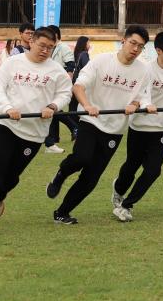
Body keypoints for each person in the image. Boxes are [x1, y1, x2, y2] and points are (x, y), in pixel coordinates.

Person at [0, 28, 72, 233]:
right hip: (7, 126)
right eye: (42, 45)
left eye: (50, 47)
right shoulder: (13, 63)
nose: (45, 50)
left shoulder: (56, 71)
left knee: (11, 175)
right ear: (32, 41)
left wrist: (53, 107)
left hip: (34, 133)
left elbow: (65, 93)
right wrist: (7, 108)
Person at [46, 26, 150, 225]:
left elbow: (141, 96)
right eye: (133, 43)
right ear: (124, 41)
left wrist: (134, 104)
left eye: (141, 46)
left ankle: (62, 212)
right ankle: (60, 175)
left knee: (91, 177)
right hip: (92, 121)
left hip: (115, 129)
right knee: (81, 158)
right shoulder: (102, 61)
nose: (136, 49)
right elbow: (79, 85)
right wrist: (87, 105)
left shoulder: (143, 70)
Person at [110, 30, 163, 222]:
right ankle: (119, 189)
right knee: (131, 167)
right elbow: (143, 93)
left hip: (162, 128)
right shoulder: (146, 68)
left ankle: (126, 205)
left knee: (153, 170)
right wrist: (147, 105)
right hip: (140, 126)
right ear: (158, 50)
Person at [43, 25, 76, 154]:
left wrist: (66, 81)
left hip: (59, 83)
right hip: (48, 82)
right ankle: (54, 138)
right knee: (52, 109)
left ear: (56, 35)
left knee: (53, 108)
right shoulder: (49, 48)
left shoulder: (63, 48)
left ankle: (74, 128)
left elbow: (70, 65)